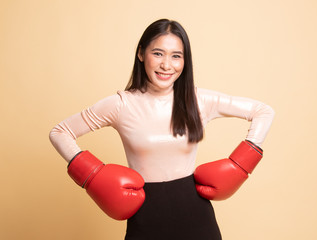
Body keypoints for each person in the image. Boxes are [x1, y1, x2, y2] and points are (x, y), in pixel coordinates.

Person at [49, 18, 275, 240]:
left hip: (198, 220)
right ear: (141, 54)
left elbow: (263, 111)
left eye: (176, 56)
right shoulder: (121, 105)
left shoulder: (199, 100)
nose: (167, 65)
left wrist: (242, 162)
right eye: (158, 53)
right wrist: (92, 176)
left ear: (185, 61)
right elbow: (60, 132)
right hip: (145, 220)